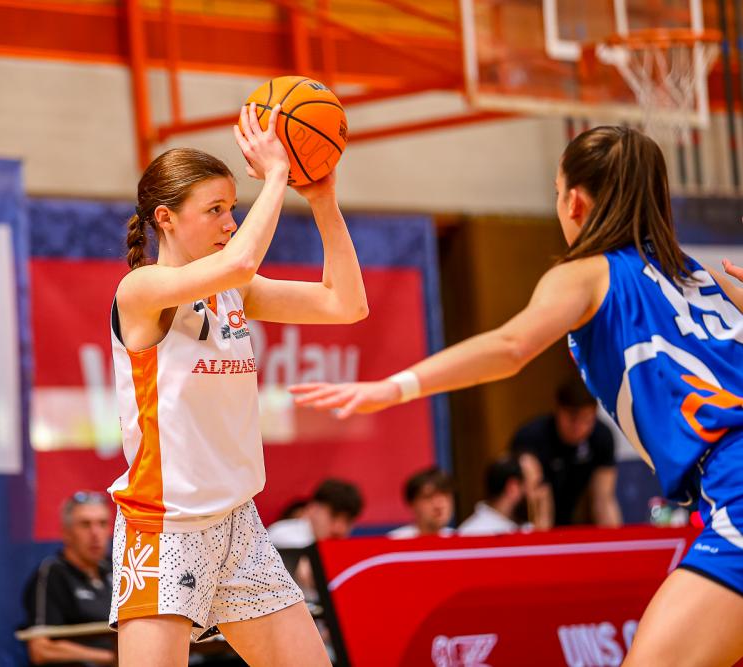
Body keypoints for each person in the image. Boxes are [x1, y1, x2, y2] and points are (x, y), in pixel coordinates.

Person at [291, 126, 743, 665]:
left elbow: (509, 347)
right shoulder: (702, 278)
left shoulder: (587, 273)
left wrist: (394, 387)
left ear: (574, 201)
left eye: (556, 191)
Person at [107, 103, 368, 667]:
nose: (230, 223)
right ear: (165, 218)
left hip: (237, 523)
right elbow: (242, 260)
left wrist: (322, 199)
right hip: (166, 525)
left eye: (233, 208)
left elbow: (346, 304)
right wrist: (277, 175)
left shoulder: (234, 293)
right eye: (216, 210)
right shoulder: (142, 290)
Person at [511, 378, 622, 527]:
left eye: (586, 420)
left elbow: (604, 499)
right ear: (558, 410)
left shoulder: (601, 437)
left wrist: (615, 538)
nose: (579, 428)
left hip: (569, 518)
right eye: (572, 419)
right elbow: (538, 498)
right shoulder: (531, 437)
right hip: (527, 522)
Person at [21, 492, 115, 667]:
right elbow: (40, 649)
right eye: (85, 525)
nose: (95, 533)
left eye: (102, 524)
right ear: (66, 533)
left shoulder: (117, 570)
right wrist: (111, 659)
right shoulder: (52, 574)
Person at [458, 455, 528, 536]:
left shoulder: (525, 527)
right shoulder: (472, 534)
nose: (537, 494)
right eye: (534, 486)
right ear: (513, 488)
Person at [387, 467, 455, 538]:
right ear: (412, 504)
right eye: (428, 497)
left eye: (445, 496)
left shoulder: (458, 539)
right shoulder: (395, 540)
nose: (439, 505)